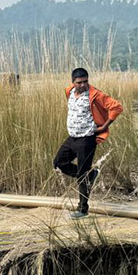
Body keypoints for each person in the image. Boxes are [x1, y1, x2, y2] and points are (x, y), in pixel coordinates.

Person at [53, 67, 122, 219]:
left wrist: (104, 126)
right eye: (79, 82)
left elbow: (116, 107)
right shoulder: (69, 92)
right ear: (73, 82)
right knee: (59, 163)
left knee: (81, 174)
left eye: (86, 81)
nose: (83, 85)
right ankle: (91, 175)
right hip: (72, 137)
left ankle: (82, 209)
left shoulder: (95, 94)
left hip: (87, 139)